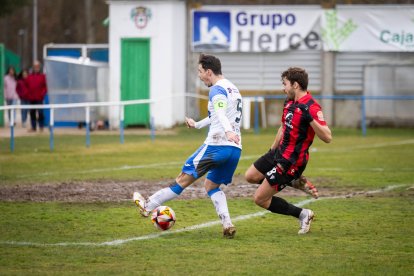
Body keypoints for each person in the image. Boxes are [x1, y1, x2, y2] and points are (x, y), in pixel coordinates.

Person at [133, 54, 243, 238]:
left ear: (209, 71)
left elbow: (222, 115)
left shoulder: (216, 89)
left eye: (200, 72)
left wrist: (227, 131)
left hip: (217, 145)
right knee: (211, 186)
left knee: (182, 179)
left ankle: (148, 205)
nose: (199, 76)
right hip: (235, 149)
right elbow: (218, 114)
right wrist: (197, 125)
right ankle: (227, 223)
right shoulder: (233, 88)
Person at [245, 67, 332, 235]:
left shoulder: (311, 107)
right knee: (251, 176)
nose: (283, 88)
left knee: (260, 199)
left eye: (285, 84)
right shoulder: (289, 101)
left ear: (296, 85)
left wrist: (311, 119)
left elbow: (328, 137)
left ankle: (303, 214)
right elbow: (284, 127)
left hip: (292, 161)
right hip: (278, 153)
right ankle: (295, 182)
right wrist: (271, 150)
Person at [26, 60, 47, 132]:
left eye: (37, 66)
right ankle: (33, 127)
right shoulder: (29, 76)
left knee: (40, 112)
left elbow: (45, 86)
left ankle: (41, 126)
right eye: (35, 66)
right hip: (31, 98)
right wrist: (28, 94)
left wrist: (42, 94)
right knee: (32, 113)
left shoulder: (43, 76)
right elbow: (26, 86)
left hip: (39, 98)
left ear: (39, 67)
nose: (36, 68)